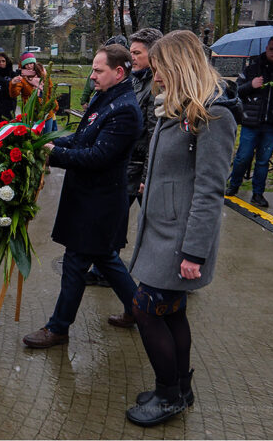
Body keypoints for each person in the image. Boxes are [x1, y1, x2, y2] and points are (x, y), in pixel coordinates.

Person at [125, 30, 239, 427]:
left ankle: (169, 395)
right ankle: (179, 388)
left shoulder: (214, 115)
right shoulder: (176, 109)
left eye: (158, 68)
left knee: (145, 308)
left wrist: (195, 252)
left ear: (177, 66)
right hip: (162, 229)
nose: (154, 76)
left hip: (180, 238)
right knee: (171, 312)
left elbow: (210, 191)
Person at [22, 44, 142, 349]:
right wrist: (45, 139)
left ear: (118, 72)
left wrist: (52, 153)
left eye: (98, 70)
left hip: (98, 204)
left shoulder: (125, 109)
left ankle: (58, 328)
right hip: (90, 200)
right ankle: (140, 310)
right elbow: (80, 138)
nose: (91, 77)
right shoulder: (106, 98)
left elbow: (97, 157)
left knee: (76, 263)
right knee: (106, 259)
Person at [105, 27, 163, 327]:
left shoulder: (157, 84)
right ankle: (110, 268)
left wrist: (146, 175)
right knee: (117, 222)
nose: (132, 57)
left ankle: (150, 297)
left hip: (139, 169)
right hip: (132, 166)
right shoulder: (140, 80)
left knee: (151, 230)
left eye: (137, 52)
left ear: (154, 54)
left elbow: (154, 135)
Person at [225, 37, 273, 208]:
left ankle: (258, 193)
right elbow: (235, 92)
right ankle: (233, 185)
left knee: (264, 160)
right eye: (271, 48)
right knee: (243, 156)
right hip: (251, 122)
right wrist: (252, 84)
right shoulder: (253, 69)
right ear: (266, 48)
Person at [9, 52, 58, 135]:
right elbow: (14, 94)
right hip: (31, 114)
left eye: (31, 63)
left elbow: (50, 91)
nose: (29, 66)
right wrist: (13, 84)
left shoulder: (43, 74)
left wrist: (55, 106)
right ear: (23, 65)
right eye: (26, 64)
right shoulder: (22, 78)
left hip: (47, 113)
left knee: (46, 138)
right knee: (34, 139)